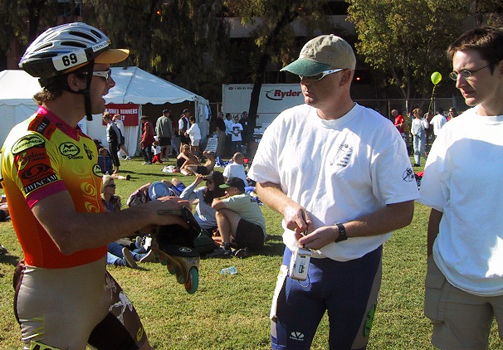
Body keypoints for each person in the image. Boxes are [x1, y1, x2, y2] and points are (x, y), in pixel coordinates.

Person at [0, 22, 189, 350]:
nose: (112, 82)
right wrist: (146, 212)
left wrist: (154, 230)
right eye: (103, 73)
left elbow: (93, 219)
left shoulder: (83, 142)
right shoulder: (30, 143)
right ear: (74, 80)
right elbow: (69, 235)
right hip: (53, 300)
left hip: (99, 285)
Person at [248, 34, 418, 349]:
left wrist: (339, 232)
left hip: (357, 268)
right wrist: (287, 207)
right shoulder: (287, 123)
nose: (304, 82)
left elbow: (402, 211)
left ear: (345, 77)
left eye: (315, 74)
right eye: (301, 73)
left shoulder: (379, 133)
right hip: (297, 263)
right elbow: (263, 183)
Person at [419, 26, 503, 350]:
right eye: (455, 73)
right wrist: (433, 266)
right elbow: (437, 210)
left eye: (468, 72)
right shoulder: (453, 132)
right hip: (455, 280)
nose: (458, 82)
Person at [101, 175, 154, 268]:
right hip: (106, 231)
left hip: (115, 229)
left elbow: (118, 218)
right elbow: (109, 216)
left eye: (114, 185)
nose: (114, 188)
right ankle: (125, 259)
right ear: (104, 188)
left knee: (114, 245)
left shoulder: (115, 200)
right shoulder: (98, 201)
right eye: (112, 186)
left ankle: (139, 255)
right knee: (110, 247)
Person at [211, 177, 267, 258]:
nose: (225, 192)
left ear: (235, 190)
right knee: (213, 239)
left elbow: (215, 205)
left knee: (220, 212)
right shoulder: (244, 197)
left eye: (227, 189)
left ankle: (225, 247)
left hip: (254, 233)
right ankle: (232, 249)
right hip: (257, 237)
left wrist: (217, 198)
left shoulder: (239, 198)